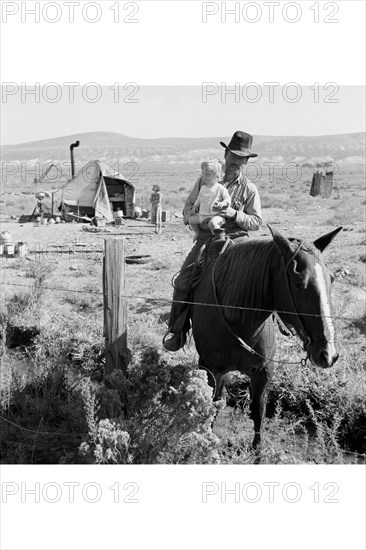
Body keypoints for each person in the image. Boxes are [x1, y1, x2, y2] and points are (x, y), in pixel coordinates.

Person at [163, 131, 262, 352]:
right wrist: (195, 220)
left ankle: (271, 330)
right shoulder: (204, 181)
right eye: (233, 155)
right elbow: (188, 208)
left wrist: (233, 213)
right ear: (225, 154)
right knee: (183, 280)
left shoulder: (249, 189)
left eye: (241, 158)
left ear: (246, 161)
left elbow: (256, 222)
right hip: (207, 239)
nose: (236, 161)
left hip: (237, 240)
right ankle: (177, 332)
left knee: (259, 282)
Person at [188, 159, 231, 239]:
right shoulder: (203, 188)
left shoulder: (220, 188)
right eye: (203, 173)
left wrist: (222, 204)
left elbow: (228, 199)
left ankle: (218, 237)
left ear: (217, 176)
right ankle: (198, 233)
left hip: (216, 215)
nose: (204, 176)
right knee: (191, 220)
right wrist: (195, 206)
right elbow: (199, 199)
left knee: (213, 224)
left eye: (208, 174)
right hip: (203, 215)